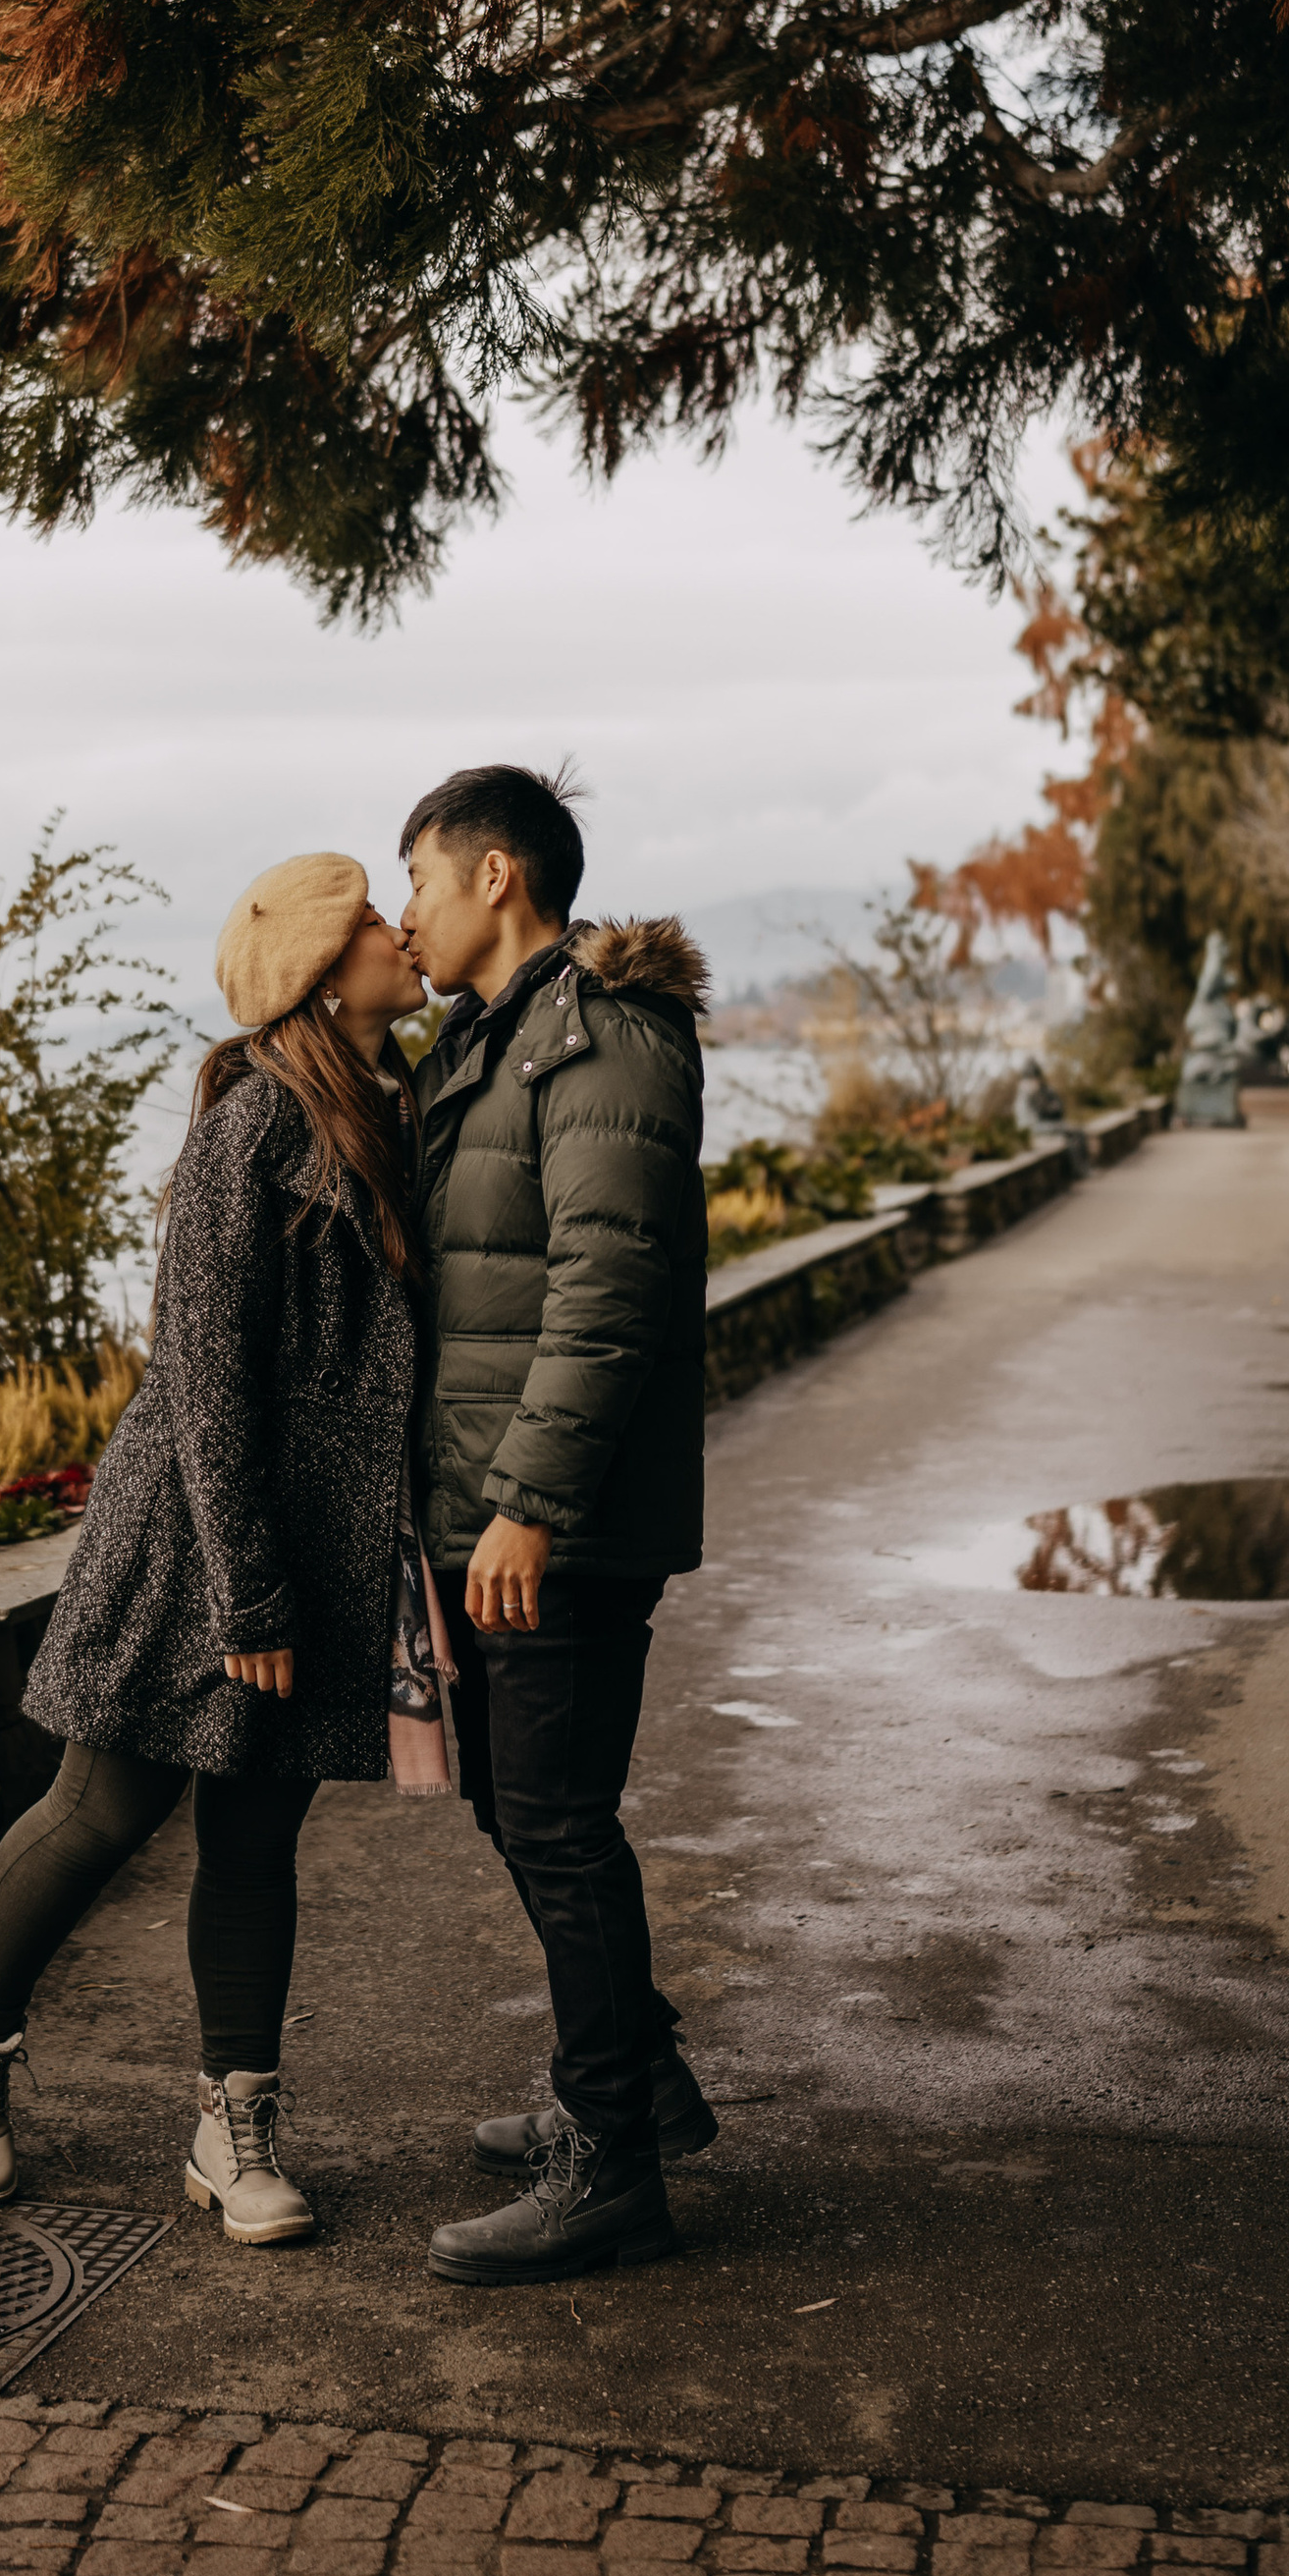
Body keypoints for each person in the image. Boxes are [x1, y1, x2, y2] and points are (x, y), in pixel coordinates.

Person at [0, 851, 434, 2245]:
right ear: (326, 968)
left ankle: (231, 2125)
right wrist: (248, 1589)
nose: (402, 930)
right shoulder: (251, 1128)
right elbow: (203, 1374)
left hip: (319, 1545)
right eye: (377, 918)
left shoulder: (398, 1110)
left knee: (258, 1834)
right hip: (199, 1536)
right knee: (104, 1812)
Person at [397, 762, 713, 2287]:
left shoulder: (603, 1039)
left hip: (553, 1519)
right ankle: (632, 2083)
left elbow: (608, 1287)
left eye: (420, 882)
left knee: (559, 1827)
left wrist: (528, 1504)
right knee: (513, 1806)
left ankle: (613, 2167)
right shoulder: (496, 1039)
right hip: (488, 1505)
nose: (408, 915)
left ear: (496, 877)